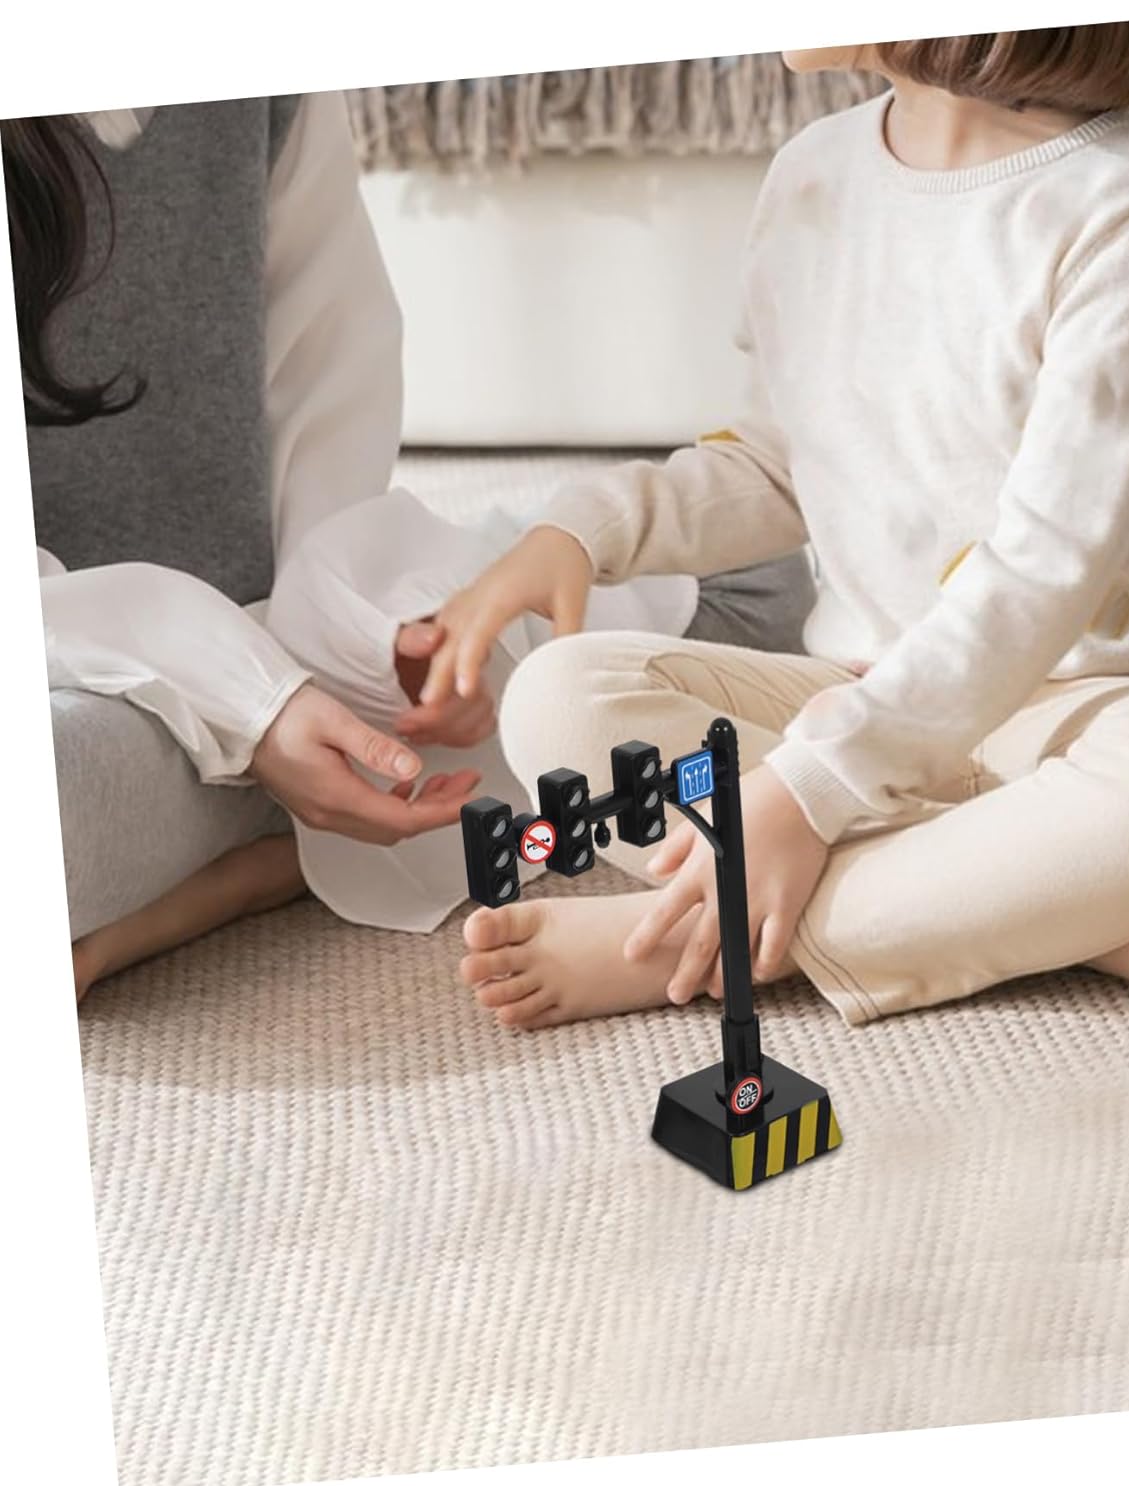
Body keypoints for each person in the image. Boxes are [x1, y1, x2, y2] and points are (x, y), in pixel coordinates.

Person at [429, 22, 1129, 1030]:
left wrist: (805, 793)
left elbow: (1043, 571)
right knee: (557, 699)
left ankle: (695, 940)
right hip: (861, 693)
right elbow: (783, 462)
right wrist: (582, 533)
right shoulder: (813, 173)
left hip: (1093, 709)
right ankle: (1045, 911)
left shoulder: (1127, 220)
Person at [8, 92, 813, 998]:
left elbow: (329, 405)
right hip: (66, 663)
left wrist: (381, 642)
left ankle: (265, 859)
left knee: (749, 576)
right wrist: (251, 703)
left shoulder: (266, 89)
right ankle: (276, 850)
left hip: (283, 625)